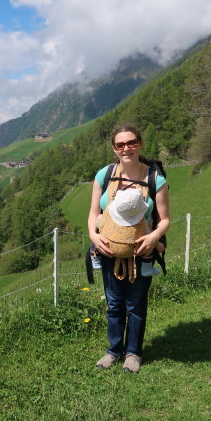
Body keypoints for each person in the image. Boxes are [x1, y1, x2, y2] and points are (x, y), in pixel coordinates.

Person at [87, 125, 170, 373]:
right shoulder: (104, 175)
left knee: (135, 303)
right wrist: (94, 235)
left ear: (140, 144)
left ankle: (133, 353)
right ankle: (114, 351)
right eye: (121, 145)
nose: (126, 148)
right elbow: (94, 213)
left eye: (131, 143)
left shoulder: (155, 178)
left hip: (142, 252)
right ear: (114, 149)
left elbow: (165, 219)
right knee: (114, 303)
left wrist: (154, 238)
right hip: (108, 250)